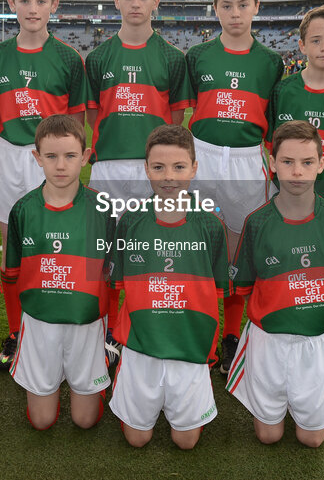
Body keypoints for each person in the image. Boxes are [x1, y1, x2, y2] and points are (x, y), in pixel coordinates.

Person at [0, 0, 91, 371]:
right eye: (24, 0)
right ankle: (16, 332)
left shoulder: (67, 58)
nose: (32, 8)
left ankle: (62, 330)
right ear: (12, 3)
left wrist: (68, 161)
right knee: (15, 254)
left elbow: (77, 123)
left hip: (54, 159)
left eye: (40, 0)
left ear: (54, 5)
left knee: (58, 249)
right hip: (11, 157)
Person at [85, 0, 194, 361]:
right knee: (105, 253)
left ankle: (144, 327)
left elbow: (176, 120)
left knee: (151, 252)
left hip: (153, 172)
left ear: (156, 2)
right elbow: (94, 117)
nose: (136, 3)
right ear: (115, 0)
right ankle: (108, 333)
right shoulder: (97, 58)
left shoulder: (172, 57)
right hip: (108, 167)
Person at [226, 121, 324, 447]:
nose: (298, 172)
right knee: (268, 436)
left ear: (321, 164)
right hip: (268, 340)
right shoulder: (257, 222)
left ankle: (310, 398)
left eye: (308, 162)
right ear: (272, 163)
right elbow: (246, 286)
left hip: (315, 341)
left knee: (311, 440)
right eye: (288, 162)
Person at [185, 0, 283, 377]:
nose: (235, 13)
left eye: (243, 4)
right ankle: (203, 334)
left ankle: (231, 337)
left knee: (240, 253)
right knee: (201, 246)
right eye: (227, 5)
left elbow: (275, 123)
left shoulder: (271, 62)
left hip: (247, 159)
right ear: (216, 8)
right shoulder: (198, 56)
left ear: (256, 7)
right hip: (203, 157)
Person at [108, 125, 230, 449]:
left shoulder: (210, 225)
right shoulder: (130, 222)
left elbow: (216, 292)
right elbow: (119, 286)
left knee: (186, 441)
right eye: (158, 167)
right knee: (137, 438)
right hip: (141, 342)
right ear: (146, 168)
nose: (168, 177)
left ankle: (188, 392)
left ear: (194, 167)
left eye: (178, 167)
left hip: (189, 344)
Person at [267, 4, 324, 381]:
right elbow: (270, 144)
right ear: (302, 45)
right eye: (316, 40)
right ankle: (270, 343)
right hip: (282, 197)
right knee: (279, 268)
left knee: (323, 277)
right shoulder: (284, 91)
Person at [1, 115, 114, 429]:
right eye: (51, 156)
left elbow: (110, 276)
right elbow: (11, 275)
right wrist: (15, 328)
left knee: (84, 420)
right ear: (37, 158)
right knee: (41, 421)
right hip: (39, 324)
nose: (60, 165)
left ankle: (100, 369)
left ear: (86, 157)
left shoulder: (103, 208)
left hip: (87, 324)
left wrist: (113, 329)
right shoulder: (23, 210)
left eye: (70, 156)